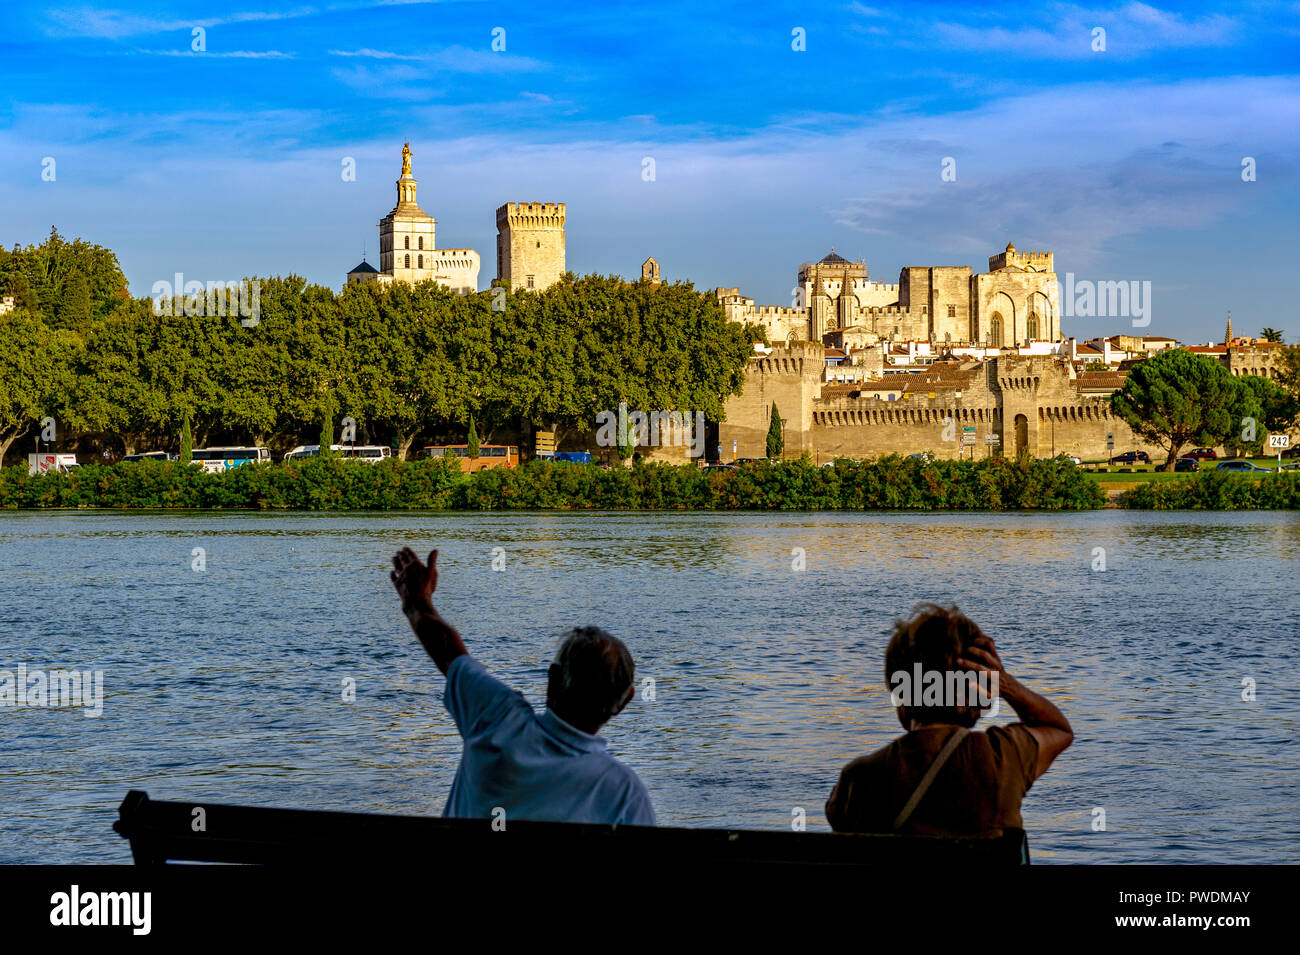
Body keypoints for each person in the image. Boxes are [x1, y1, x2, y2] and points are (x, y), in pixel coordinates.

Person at [390, 547, 655, 826]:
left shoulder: (497, 717)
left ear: (552, 680)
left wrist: (416, 599)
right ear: (623, 702)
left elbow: (447, 651)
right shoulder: (623, 791)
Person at [826, 602, 1073, 836]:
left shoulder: (858, 779)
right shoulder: (1005, 756)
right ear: (983, 694)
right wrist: (1008, 686)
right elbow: (1058, 729)